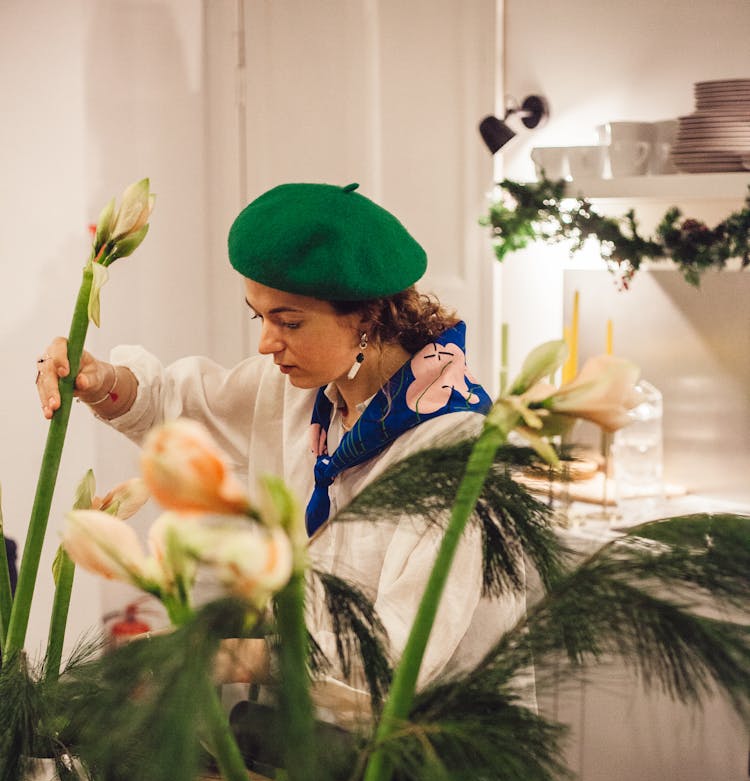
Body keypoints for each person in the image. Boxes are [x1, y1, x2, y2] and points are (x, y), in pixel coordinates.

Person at [35, 181, 525, 711]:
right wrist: (99, 378)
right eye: (259, 316)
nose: (267, 343)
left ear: (367, 317)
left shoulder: (455, 448)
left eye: (288, 322)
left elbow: (394, 650)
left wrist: (221, 658)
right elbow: (173, 405)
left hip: (434, 749)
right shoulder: (303, 392)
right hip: (314, 733)